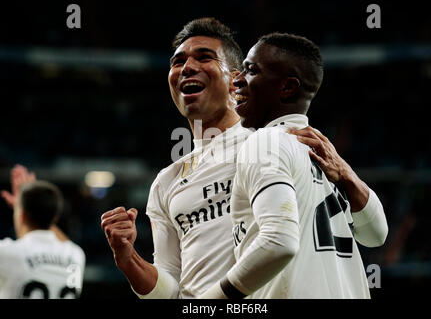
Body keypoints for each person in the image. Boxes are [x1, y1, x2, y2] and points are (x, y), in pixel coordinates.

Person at [101, 19, 386, 299]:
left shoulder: (277, 140)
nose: (187, 67)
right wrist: (129, 260)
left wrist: (348, 175)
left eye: (204, 57)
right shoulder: (166, 182)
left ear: (236, 78)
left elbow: (367, 235)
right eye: (177, 62)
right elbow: (171, 290)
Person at [200, 33, 388, 299]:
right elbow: (376, 234)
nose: (237, 80)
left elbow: (279, 242)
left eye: (251, 70)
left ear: (287, 88)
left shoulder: (266, 143)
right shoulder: (322, 154)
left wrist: (210, 302)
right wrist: (346, 174)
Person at [0, 165, 85, 299]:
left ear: (22, 216)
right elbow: (64, 240)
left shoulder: (5, 252)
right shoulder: (76, 255)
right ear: (55, 217)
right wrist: (28, 204)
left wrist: (22, 204)